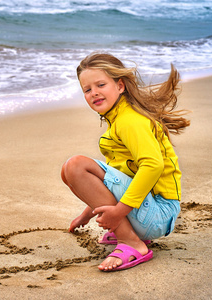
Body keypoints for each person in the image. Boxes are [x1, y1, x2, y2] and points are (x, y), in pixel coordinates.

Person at [61, 52, 190, 272]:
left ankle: (131, 241)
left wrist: (119, 211)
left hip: (159, 213)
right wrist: (88, 213)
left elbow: (153, 166)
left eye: (101, 84)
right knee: (68, 171)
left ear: (120, 86)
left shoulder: (130, 120)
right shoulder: (119, 118)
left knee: (76, 166)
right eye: (87, 89)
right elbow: (117, 175)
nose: (94, 93)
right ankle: (128, 231)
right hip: (150, 211)